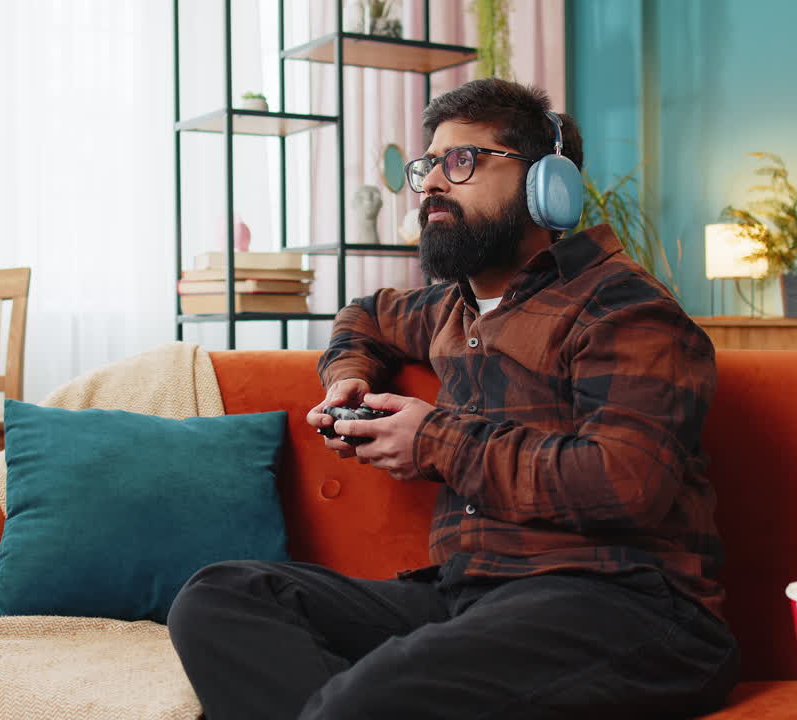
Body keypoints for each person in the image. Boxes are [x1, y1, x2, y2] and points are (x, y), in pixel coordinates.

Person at [167, 78, 737, 720]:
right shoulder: (453, 306)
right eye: (428, 164)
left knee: (371, 698)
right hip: (471, 596)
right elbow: (365, 315)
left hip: (626, 608)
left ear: (545, 184)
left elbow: (626, 482)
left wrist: (433, 439)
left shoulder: (624, 311)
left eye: (463, 161)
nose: (433, 182)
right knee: (222, 596)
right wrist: (346, 379)